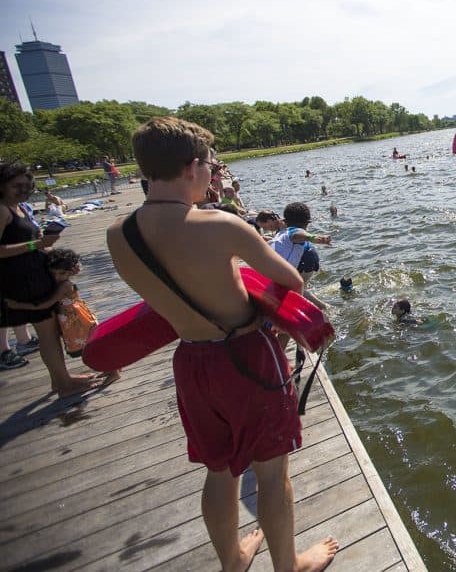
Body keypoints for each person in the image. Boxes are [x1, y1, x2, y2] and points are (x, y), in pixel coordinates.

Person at [105, 117, 338, 571]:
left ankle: (233, 560)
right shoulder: (220, 225)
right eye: (211, 165)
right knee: (270, 472)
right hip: (248, 358)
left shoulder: (119, 234)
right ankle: (288, 566)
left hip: (192, 361)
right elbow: (289, 280)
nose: (214, 174)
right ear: (192, 167)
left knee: (219, 471)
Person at [0, 163, 104, 395]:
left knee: (51, 332)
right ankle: (63, 383)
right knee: (47, 334)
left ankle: (60, 379)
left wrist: (63, 263)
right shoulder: (3, 210)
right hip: (20, 279)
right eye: (17, 186)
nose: (23, 190)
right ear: (2, 186)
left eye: (28, 186)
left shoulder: (20, 208)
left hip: (36, 273)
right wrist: (34, 244)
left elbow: (36, 245)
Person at [6, 248, 107, 370]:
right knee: (89, 347)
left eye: (61, 273)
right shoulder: (62, 282)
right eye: (53, 274)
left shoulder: (65, 286)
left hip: (78, 321)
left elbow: (46, 304)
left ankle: (112, 370)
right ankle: (108, 369)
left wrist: (18, 305)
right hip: (73, 320)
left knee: (91, 346)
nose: (57, 277)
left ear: (70, 272)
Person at [270, 202, 332, 310]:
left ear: (285, 220)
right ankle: (323, 307)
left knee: (298, 289)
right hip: (283, 272)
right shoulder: (293, 231)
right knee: (298, 289)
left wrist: (312, 238)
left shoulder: (284, 233)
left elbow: (295, 236)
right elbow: (297, 235)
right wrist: (313, 238)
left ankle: (323, 307)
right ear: (307, 223)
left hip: (278, 271)